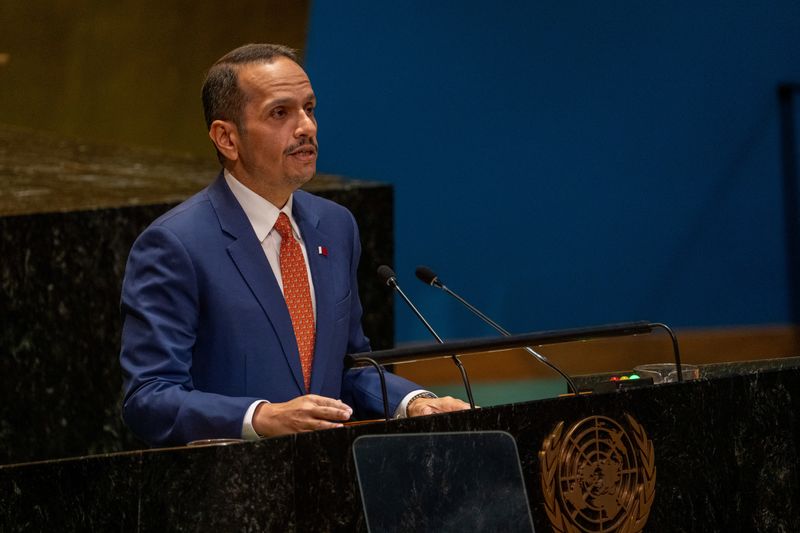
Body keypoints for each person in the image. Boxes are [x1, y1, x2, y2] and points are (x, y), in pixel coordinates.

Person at [119, 43, 469, 446]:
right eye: (280, 113)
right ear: (226, 138)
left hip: (329, 483)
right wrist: (261, 417)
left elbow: (348, 367)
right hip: (230, 490)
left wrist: (411, 402)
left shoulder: (336, 227)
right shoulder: (176, 245)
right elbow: (149, 398)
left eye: (310, 108)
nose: (306, 127)